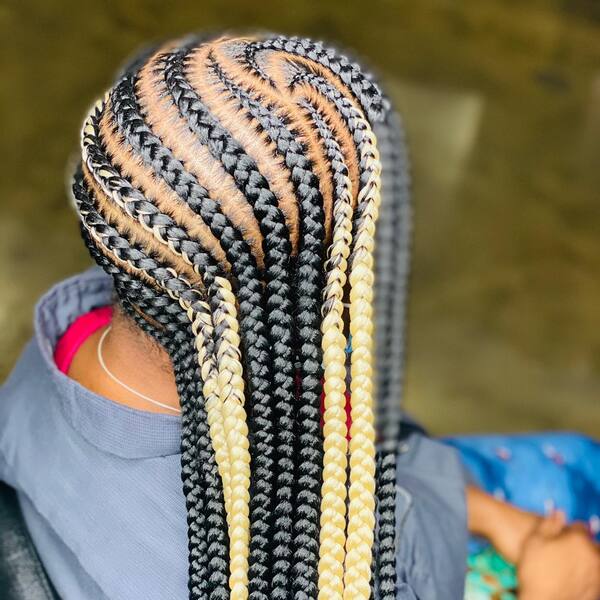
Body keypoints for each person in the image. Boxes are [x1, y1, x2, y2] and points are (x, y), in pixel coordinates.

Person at [0, 33, 598, 600]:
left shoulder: (72, 331)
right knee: (582, 468)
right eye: (350, 240)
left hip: (411, 489)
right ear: (279, 296)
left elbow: (370, 458)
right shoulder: (288, 562)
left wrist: (495, 517)